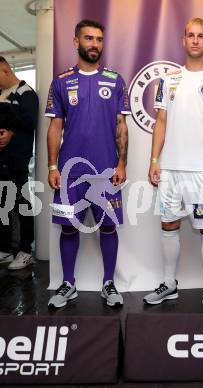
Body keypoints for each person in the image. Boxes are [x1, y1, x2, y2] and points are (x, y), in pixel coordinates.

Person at [143, 18, 203, 314]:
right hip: (170, 168)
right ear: (183, 40)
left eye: (201, 36)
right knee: (168, 225)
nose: (195, 40)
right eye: (191, 35)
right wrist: (155, 160)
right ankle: (169, 283)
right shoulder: (167, 79)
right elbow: (161, 122)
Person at [45, 19, 130, 309]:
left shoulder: (116, 80)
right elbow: (55, 126)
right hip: (69, 173)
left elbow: (122, 125)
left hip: (106, 170)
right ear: (76, 42)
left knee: (108, 227)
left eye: (99, 39)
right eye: (89, 38)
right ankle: (68, 283)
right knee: (68, 228)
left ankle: (109, 283)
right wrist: (52, 166)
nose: (95, 44)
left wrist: (122, 164)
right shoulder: (61, 80)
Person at [0, 56, 38, 269]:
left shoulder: (26, 93)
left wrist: (10, 131)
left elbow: (30, 122)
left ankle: (25, 250)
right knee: (2, 205)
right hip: (1, 160)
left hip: (18, 159)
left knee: (21, 203)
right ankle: (5, 249)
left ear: (5, 70)